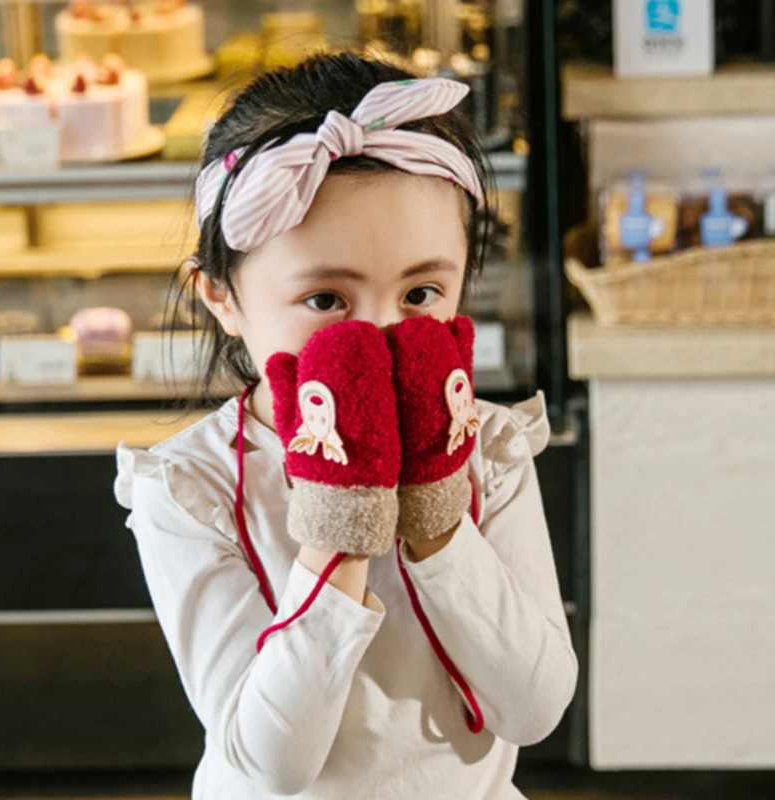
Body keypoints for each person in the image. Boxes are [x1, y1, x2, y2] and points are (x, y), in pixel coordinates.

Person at [114, 52, 578, 800]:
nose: (378, 338)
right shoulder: (189, 487)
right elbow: (271, 764)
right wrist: (343, 512)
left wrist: (433, 503)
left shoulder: (489, 449)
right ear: (222, 297)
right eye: (327, 301)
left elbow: (533, 707)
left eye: (422, 292)